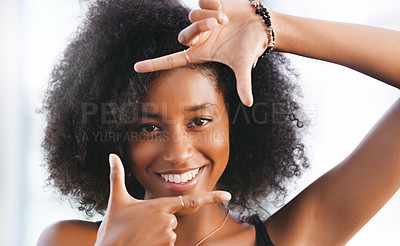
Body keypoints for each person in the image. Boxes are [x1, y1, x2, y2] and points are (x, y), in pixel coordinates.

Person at [37, 0, 400, 245]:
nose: (179, 154)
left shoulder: (297, 235)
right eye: (149, 127)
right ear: (117, 136)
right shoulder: (69, 240)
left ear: (236, 124)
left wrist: (273, 28)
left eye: (200, 120)